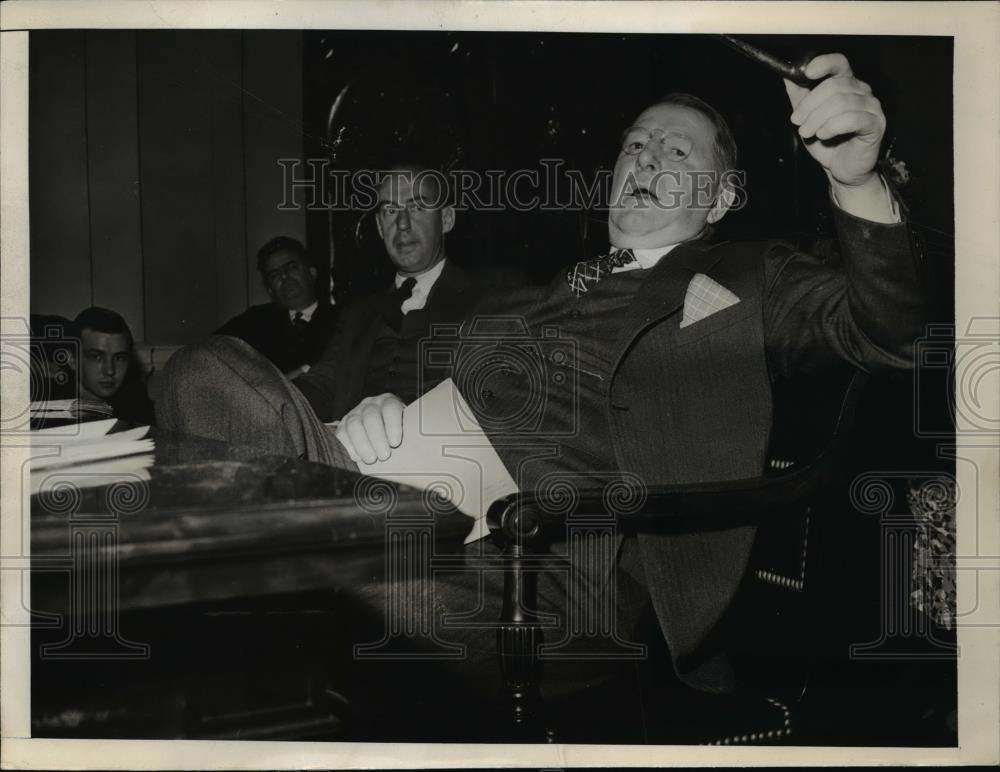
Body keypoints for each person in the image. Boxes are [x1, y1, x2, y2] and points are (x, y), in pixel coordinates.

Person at [158, 53, 923, 731]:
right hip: (394, 492)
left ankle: (277, 583)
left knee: (314, 553)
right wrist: (383, 408)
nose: (645, 154)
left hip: (542, 565)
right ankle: (299, 557)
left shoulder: (751, 278)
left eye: (675, 147)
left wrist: (857, 178)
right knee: (204, 372)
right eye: (634, 143)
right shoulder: (549, 289)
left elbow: (888, 331)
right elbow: (453, 396)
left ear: (720, 200)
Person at [157, 162, 491, 451]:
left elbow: (498, 397)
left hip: (439, 454)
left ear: (446, 219)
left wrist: (410, 413)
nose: (402, 224)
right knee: (193, 365)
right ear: (379, 226)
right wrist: (266, 402)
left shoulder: (492, 296)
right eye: (389, 211)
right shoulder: (360, 312)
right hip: (345, 451)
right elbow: (320, 385)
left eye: (417, 207)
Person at [216, 236, 337, 378]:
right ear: (270, 289)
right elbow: (212, 348)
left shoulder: (342, 318)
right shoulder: (255, 320)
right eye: (274, 274)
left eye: (292, 267)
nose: (284, 276)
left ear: (312, 273)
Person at [69, 306, 155, 425]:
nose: (109, 370)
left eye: (119, 358)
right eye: (96, 357)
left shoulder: (137, 405)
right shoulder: (46, 410)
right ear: (72, 360)